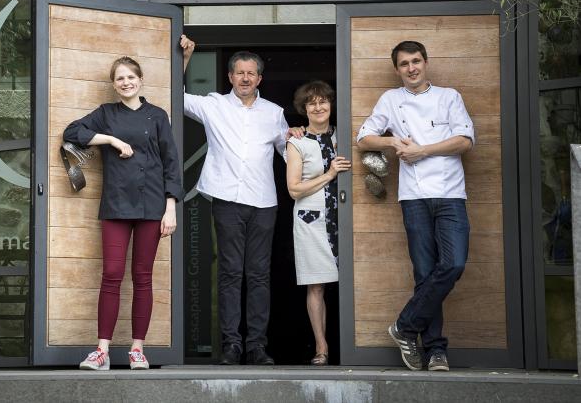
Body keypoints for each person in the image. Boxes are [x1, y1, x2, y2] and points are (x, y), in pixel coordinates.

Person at [357, 40, 474, 372]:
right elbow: (364, 137)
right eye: (404, 63)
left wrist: (423, 150)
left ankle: (405, 327)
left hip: (451, 194)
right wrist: (392, 140)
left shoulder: (449, 97)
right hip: (413, 197)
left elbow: (465, 140)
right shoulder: (391, 100)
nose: (411, 68)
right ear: (397, 69)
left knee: (453, 264)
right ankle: (435, 350)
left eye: (416, 61)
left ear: (426, 62)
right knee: (425, 274)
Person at [64, 56, 182, 371]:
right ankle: (101, 351)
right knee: (112, 275)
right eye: (120, 78)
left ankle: (137, 349)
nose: (126, 82)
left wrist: (170, 207)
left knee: (142, 277)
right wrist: (111, 139)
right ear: (114, 84)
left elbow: (171, 162)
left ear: (140, 79)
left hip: (152, 205)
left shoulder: (157, 116)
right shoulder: (106, 114)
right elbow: (73, 131)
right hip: (116, 204)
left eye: (131, 76)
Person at [180, 35, 292, 366]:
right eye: (239, 72)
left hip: (264, 203)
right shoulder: (213, 104)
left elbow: (289, 152)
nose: (245, 78)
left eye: (251, 73)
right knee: (229, 272)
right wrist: (185, 58)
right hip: (227, 200)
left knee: (258, 275)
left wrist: (306, 143)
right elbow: (175, 96)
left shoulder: (274, 113)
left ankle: (257, 345)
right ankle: (232, 344)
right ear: (230, 76)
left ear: (259, 78)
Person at [285, 81, 351, 366]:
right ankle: (322, 348)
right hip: (312, 221)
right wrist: (330, 174)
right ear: (304, 109)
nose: (319, 106)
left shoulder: (345, 135)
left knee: (353, 282)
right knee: (317, 286)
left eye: (323, 101)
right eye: (311, 103)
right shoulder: (296, 142)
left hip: (345, 218)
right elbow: (294, 190)